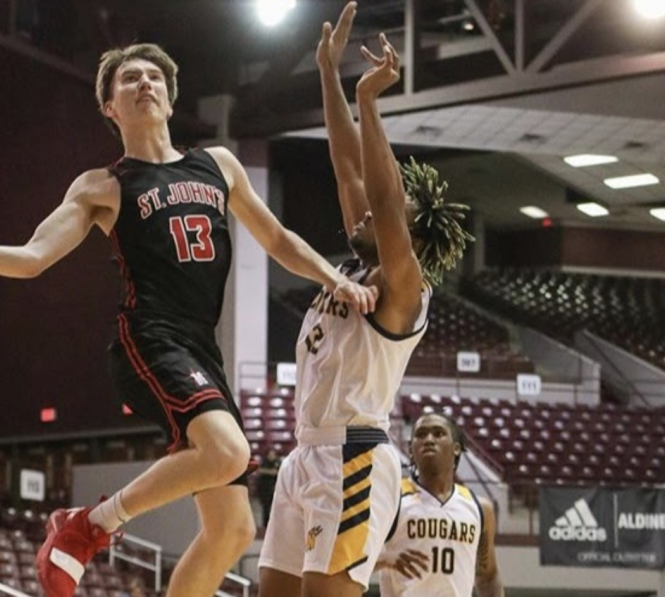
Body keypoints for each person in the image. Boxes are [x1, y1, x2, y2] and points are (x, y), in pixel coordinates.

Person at [0, 42, 377, 597]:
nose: (144, 84)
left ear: (169, 98)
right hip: (149, 337)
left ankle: (94, 530)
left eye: (153, 78)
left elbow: (278, 240)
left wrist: (335, 278)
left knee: (233, 529)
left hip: (201, 351)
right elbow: (32, 258)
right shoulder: (103, 185)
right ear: (110, 108)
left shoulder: (219, 165)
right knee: (229, 452)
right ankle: (86, 527)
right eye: (129, 79)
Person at [258, 4, 474, 597]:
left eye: (386, 213)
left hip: (352, 459)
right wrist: (328, 71)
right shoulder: (356, 268)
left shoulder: (406, 288)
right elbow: (348, 166)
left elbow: (378, 190)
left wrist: (371, 100)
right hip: (305, 454)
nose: (364, 210)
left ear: (407, 235)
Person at [377, 412, 504, 597]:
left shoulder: (480, 508)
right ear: (411, 450)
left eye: (438, 433)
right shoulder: (392, 499)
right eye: (421, 435)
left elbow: (488, 577)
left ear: (456, 449)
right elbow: (351, 558)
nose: (429, 439)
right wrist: (385, 559)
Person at [256, 447, 283, 528]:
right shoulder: (263, 462)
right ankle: (265, 525)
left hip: (276, 488)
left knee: (277, 507)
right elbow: (259, 470)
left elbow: (280, 472)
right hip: (265, 488)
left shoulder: (278, 462)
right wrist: (270, 472)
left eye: (273, 454)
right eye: (270, 454)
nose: (271, 456)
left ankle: (277, 525)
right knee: (266, 507)